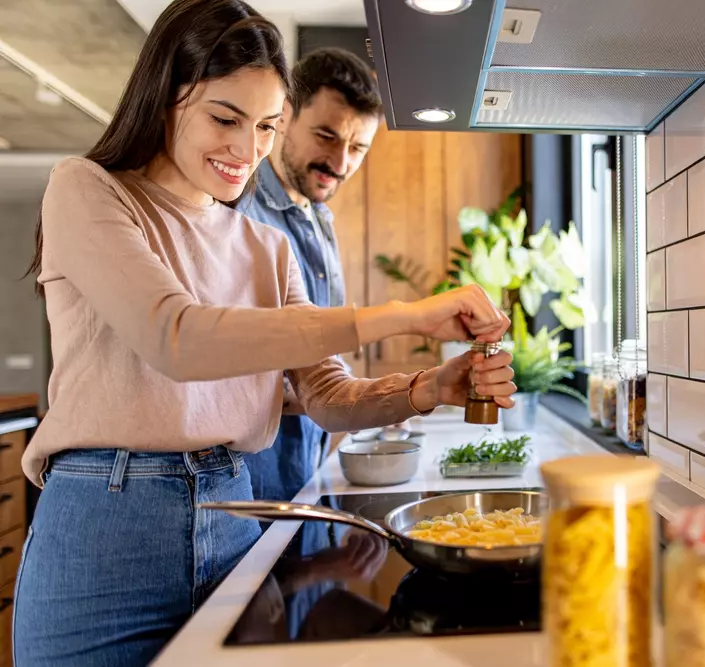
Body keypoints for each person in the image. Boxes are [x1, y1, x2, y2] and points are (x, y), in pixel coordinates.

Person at [13, 1, 515, 666]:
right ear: (167, 93)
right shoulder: (87, 191)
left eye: (266, 127)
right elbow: (178, 339)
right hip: (107, 527)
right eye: (226, 118)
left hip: (232, 511)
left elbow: (327, 394)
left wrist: (425, 387)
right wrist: (407, 313)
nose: (246, 150)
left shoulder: (266, 246)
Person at [240, 47, 381, 508]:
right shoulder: (241, 214)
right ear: (283, 118)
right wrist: (363, 400)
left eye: (357, 148)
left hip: (307, 469)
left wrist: (367, 402)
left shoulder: (320, 219)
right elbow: (237, 373)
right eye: (326, 136)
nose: (340, 163)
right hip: (251, 482)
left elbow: (315, 354)